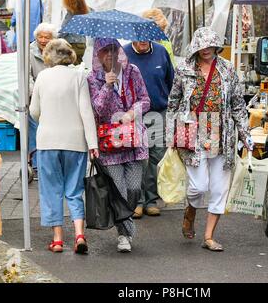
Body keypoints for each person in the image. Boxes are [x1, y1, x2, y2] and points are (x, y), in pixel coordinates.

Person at [166, 27, 252, 251]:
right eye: (202, 46)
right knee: (198, 186)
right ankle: (191, 210)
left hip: (222, 135)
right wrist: (169, 133)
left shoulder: (227, 70)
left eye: (210, 45)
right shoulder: (184, 69)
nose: (206, 50)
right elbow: (173, 102)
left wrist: (246, 135)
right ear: (195, 46)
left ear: (216, 46)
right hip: (193, 132)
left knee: (219, 187)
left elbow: (237, 105)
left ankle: (209, 237)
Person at [29, 38, 98, 254]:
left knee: (51, 190)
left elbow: (34, 111)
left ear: (48, 55)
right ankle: (79, 234)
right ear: (70, 55)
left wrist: (47, 119)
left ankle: (58, 239)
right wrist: (93, 143)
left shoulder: (42, 77)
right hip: (75, 142)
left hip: (48, 140)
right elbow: (87, 112)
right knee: (74, 190)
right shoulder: (79, 77)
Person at [88, 38, 150, 253]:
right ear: (98, 55)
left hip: (133, 141)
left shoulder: (133, 71)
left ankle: (126, 222)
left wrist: (132, 113)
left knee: (133, 189)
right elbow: (97, 109)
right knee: (119, 191)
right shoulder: (93, 78)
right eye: (105, 52)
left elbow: (145, 99)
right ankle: (124, 234)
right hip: (109, 145)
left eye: (114, 50)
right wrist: (107, 84)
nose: (110, 55)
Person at [123, 40, 174, 218]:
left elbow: (171, 81)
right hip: (134, 114)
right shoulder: (124, 53)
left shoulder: (161, 52)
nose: (143, 40)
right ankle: (137, 201)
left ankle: (151, 200)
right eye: (139, 36)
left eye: (146, 37)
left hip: (159, 112)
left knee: (155, 157)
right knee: (138, 158)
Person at [28, 23, 58, 173]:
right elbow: (26, 77)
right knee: (34, 128)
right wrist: (37, 92)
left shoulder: (57, 51)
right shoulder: (29, 52)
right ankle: (35, 164)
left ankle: (51, 163)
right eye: (40, 36)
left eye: (47, 37)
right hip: (35, 96)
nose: (43, 40)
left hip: (54, 97)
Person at [58, 0, 89, 65]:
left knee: (70, 68)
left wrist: (55, 38)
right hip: (82, 44)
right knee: (77, 67)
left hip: (72, 44)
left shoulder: (70, 14)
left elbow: (64, 30)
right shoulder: (84, 11)